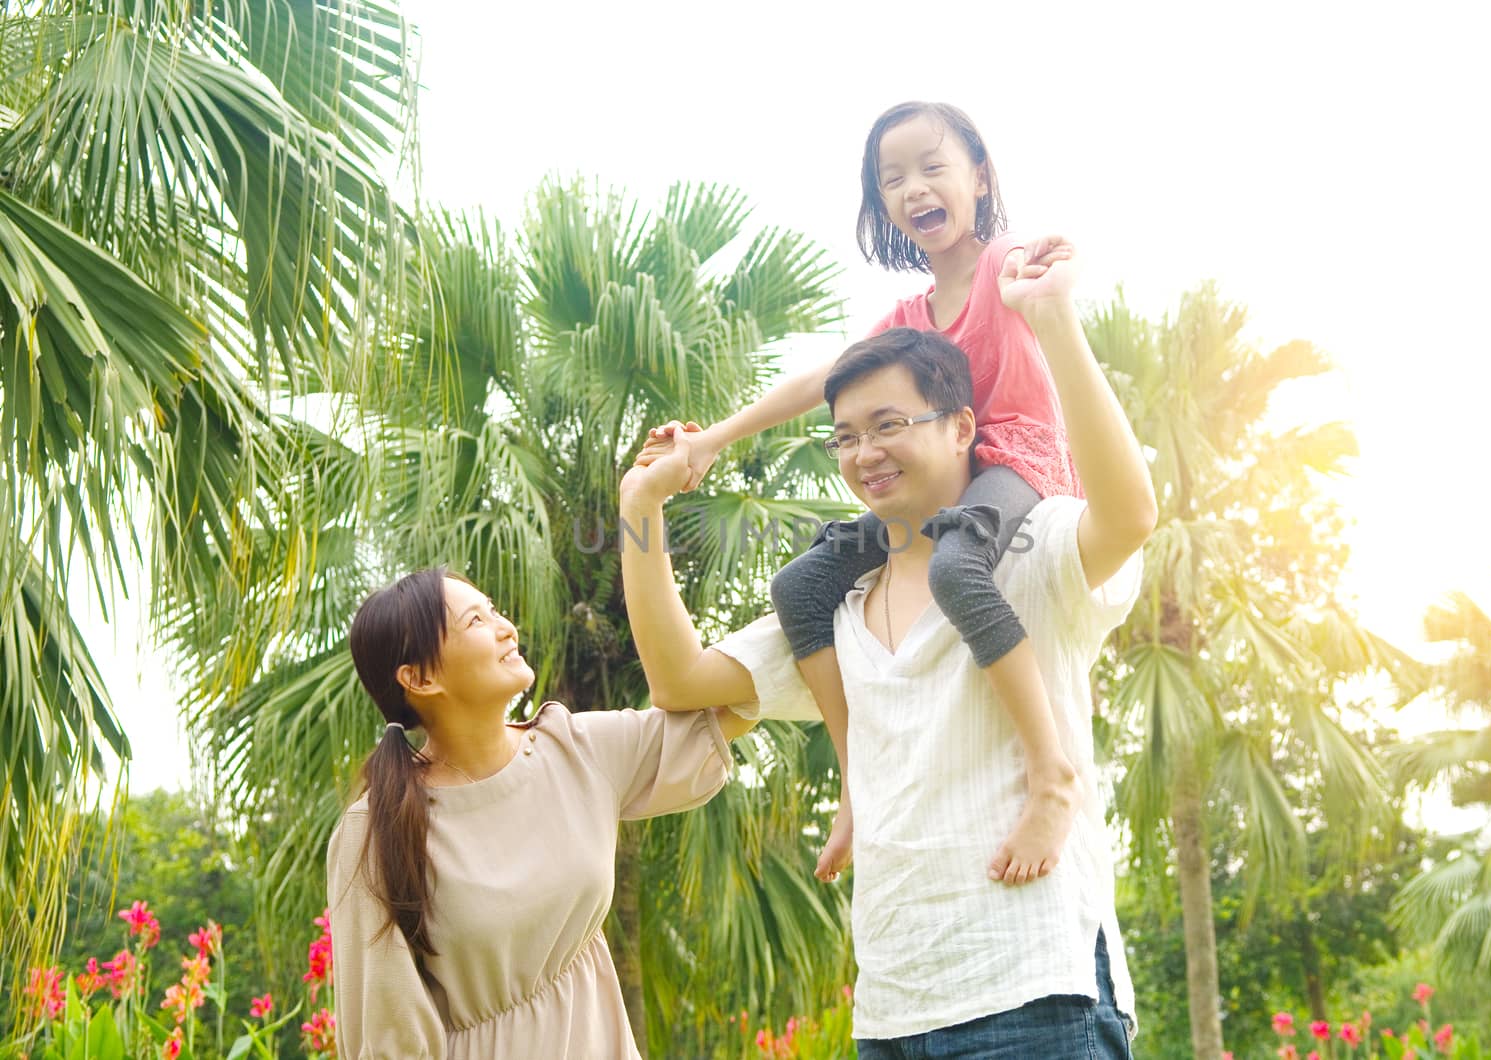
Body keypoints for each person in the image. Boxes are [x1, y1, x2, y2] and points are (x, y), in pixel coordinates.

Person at [622, 244, 1156, 1054]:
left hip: (1035, 995)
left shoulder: (1034, 545)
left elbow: (1127, 516)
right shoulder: (839, 602)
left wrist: (1054, 318)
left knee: (960, 569)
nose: (865, 453)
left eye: (890, 426)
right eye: (844, 438)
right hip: (894, 1015)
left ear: (962, 427)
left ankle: (1056, 776)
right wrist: (639, 508)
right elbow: (679, 682)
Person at [641, 100, 1084, 885]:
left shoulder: (1002, 263)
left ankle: (1051, 776)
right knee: (802, 584)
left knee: (953, 568)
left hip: (1017, 466)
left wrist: (1045, 267)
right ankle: (856, 782)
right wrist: (712, 438)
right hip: (945, 491)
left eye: (932, 166)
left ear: (979, 176)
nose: (914, 187)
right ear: (881, 202)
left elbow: (1039, 265)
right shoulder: (908, 319)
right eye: (893, 178)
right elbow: (824, 382)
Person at [325, 567, 755, 1058]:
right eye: (475, 621)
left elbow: (736, 695)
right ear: (419, 678)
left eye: (495, 612)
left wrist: (641, 508)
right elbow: (385, 1033)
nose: (506, 627)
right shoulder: (376, 828)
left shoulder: (574, 748)